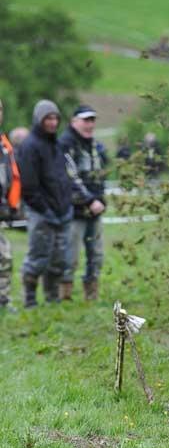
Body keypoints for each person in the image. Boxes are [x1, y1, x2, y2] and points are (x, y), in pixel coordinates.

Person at [18, 100, 93, 307]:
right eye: (48, 118)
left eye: (55, 118)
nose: (52, 123)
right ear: (39, 120)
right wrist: (44, 210)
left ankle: (52, 299)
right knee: (38, 258)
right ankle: (30, 301)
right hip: (41, 213)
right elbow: (29, 186)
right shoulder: (29, 146)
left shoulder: (56, 145)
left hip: (62, 212)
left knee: (59, 260)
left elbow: (65, 177)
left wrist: (67, 207)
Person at [58, 105, 107, 300]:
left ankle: (91, 295)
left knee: (96, 255)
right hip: (73, 211)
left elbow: (100, 176)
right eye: (86, 120)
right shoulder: (65, 144)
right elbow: (69, 179)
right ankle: (65, 297)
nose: (90, 124)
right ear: (74, 121)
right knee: (70, 256)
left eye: (92, 120)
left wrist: (100, 199)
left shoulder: (95, 146)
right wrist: (90, 200)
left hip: (95, 210)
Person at [0, 100, 22, 310]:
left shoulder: (4, 145)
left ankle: (3, 300)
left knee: (4, 257)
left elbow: (10, 177)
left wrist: (11, 204)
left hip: (3, 209)